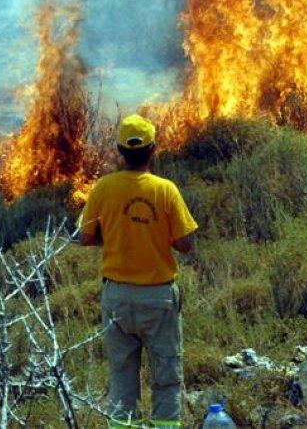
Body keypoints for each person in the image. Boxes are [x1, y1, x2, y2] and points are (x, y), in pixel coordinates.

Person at [78, 114, 198, 429]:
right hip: (158, 299)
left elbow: (85, 237)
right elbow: (185, 244)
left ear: (120, 150)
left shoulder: (104, 188)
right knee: (167, 377)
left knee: (121, 380)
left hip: (116, 297)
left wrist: (116, 234)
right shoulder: (166, 190)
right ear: (153, 149)